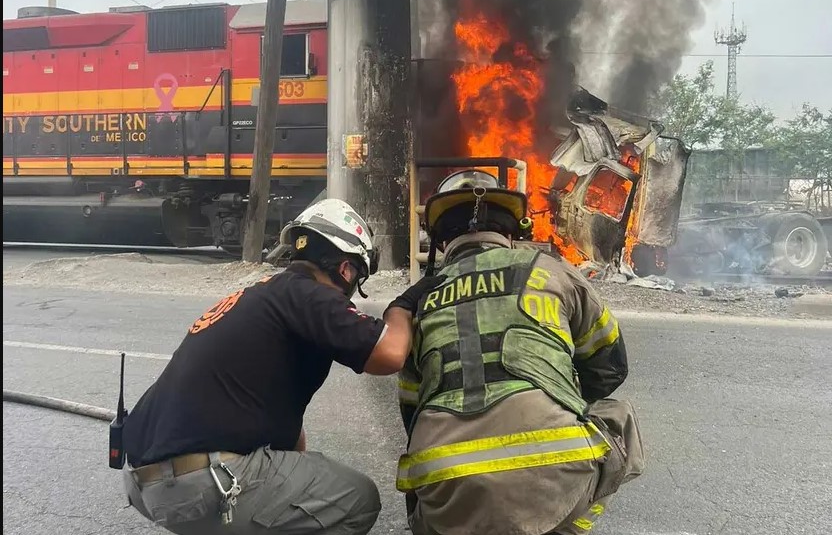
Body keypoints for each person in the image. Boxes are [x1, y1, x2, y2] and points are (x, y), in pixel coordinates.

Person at [119, 198, 444, 535]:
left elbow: (287, 441)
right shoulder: (309, 295)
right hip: (200, 484)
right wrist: (403, 307)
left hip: (144, 482)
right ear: (347, 269)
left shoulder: (259, 295)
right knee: (357, 499)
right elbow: (390, 354)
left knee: (299, 490)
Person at [396, 170, 645, 535]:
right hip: (556, 480)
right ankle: (565, 525)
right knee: (618, 415)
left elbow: (411, 411)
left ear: (441, 240)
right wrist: (557, 397)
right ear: (512, 232)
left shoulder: (418, 303)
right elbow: (610, 367)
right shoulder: (554, 272)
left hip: (446, 501)